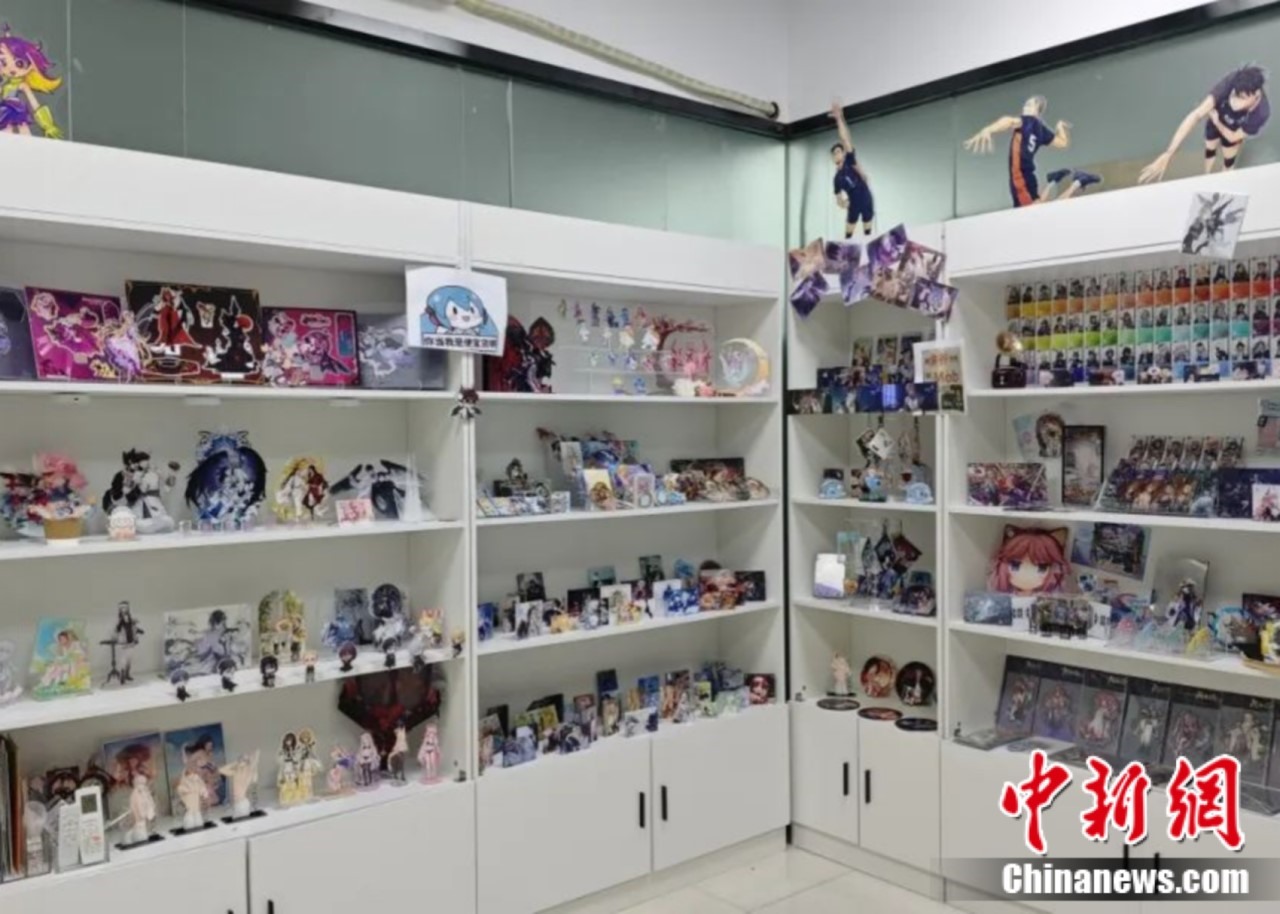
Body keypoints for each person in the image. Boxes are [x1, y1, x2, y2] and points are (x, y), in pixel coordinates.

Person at [964, 95, 1101, 207]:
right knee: (1037, 208)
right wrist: (1060, 127)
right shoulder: (1041, 129)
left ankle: (1077, 182)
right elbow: (1063, 143)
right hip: (1027, 176)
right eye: (1025, 104)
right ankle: (1055, 180)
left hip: (1020, 178)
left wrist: (988, 130)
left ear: (1037, 110)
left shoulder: (1028, 121)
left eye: (1029, 105)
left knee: (1039, 212)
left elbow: (1009, 121)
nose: (1025, 107)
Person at [1140, 65, 1269, 182]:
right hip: (1218, 114)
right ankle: (1207, 176)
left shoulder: (1261, 113)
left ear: (1256, 94)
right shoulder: (1230, 82)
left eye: (1242, 98)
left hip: (1232, 128)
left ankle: (1226, 180)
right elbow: (1196, 115)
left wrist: (1217, 122)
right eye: (1235, 95)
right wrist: (1169, 153)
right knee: (1210, 147)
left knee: (1229, 157)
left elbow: (1233, 137)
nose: (1235, 101)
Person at [829, 102, 875, 237]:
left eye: (838, 151)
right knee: (848, 235)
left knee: (868, 232)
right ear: (832, 158)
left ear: (843, 154)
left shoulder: (849, 161)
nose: (836, 154)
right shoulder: (836, 179)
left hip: (866, 199)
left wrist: (839, 119)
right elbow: (839, 199)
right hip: (853, 205)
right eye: (834, 153)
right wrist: (843, 203)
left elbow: (845, 139)